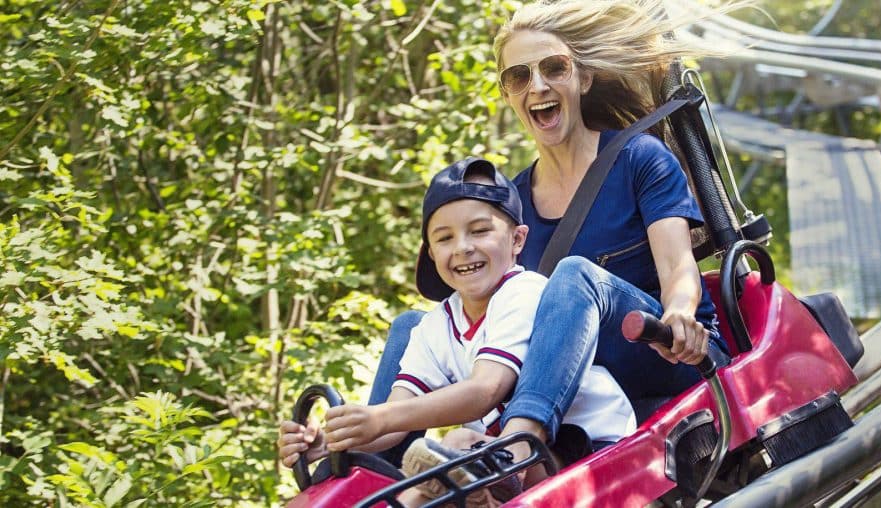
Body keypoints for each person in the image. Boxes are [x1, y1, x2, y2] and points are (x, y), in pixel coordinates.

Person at [370, 0, 744, 474]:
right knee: (411, 328)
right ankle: (358, 464)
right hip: (572, 371)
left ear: (582, 79)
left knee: (573, 277)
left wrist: (679, 315)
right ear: (508, 94)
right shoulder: (512, 203)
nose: (539, 86)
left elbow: (677, 268)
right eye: (520, 77)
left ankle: (517, 449)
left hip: (663, 347)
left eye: (554, 69)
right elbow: (489, 309)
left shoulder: (639, 160)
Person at [277, 157, 636, 506]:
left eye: (480, 231)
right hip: (503, 459)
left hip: (588, 445)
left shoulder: (523, 291)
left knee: (459, 446)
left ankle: (472, 480)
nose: (463, 248)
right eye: (445, 238)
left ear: (517, 240)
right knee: (449, 459)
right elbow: (396, 418)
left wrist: (380, 417)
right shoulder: (434, 327)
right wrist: (331, 442)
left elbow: (485, 389)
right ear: (431, 253)